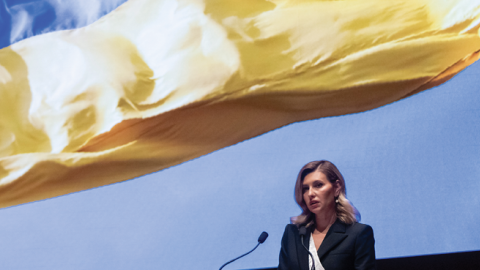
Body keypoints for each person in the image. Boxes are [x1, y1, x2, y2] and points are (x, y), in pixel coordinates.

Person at [278, 160, 376, 270]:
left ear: (337, 188)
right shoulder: (293, 234)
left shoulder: (358, 234)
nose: (310, 193)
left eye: (318, 185)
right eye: (306, 188)